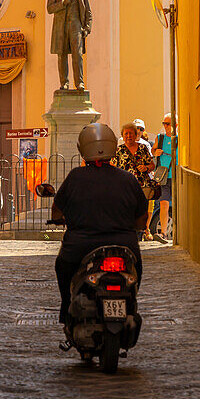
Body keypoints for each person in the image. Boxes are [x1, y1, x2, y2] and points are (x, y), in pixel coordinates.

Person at [51, 123, 148, 326]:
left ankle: (67, 309)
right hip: (124, 246)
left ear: (82, 148)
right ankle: (130, 305)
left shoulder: (75, 178)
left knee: (63, 266)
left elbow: (57, 210)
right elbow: (141, 218)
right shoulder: (128, 179)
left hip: (80, 245)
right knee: (135, 269)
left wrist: (62, 218)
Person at [46, 0, 93, 90]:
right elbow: (49, 8)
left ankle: (79, 83)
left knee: (77, 54)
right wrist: (63, 3)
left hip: (76, 26)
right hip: (61, 27)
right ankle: (64, 83)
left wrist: (87, 28)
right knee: (62, 55)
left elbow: (88, 12)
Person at [113, 122, 156, 240]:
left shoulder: (142, 148)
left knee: (141, 210)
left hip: (141, 186)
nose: (128, 136)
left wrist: (146, 168)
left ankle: (140, 232)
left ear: (136, 135)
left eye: (130, 133)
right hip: (124, 187)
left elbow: (152, 165)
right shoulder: (119, 151)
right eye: (126, 134)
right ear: (122, 135)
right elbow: (112, 166)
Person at [150, 113, 176, 244]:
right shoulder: (160, 138)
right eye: (164, 123)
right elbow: (153, 151)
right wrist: (155, 152)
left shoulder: (180, 139)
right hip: (163, 177)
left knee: (178, 206)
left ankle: (178, 232)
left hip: (177, 177)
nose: (165, 126)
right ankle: (163, 233)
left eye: (168, 124)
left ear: (176, 126)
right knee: (164, 203)